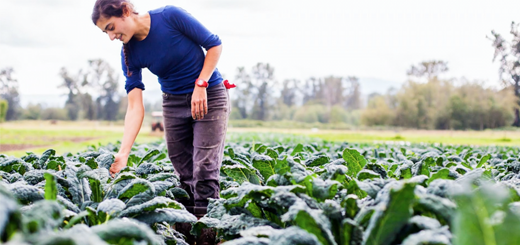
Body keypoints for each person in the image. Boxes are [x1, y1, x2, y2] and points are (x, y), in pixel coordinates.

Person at [92, 1, 232, 244]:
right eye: (106, 32)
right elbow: (135, 107)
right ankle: (187, 234)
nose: (112, 36)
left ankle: (209, 235)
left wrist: (201, 84)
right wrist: (124, 153)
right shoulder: (129, 53)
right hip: (173, 104)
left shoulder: (170, 16)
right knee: (183, 171)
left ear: (125, 11)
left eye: (111, 27)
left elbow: (214, 45)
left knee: (205, 167)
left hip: (209, 96)